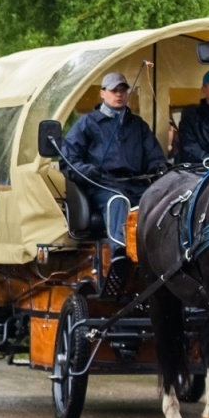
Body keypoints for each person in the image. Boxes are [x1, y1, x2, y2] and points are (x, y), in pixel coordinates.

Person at [59, 72, 168, 289]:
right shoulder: (87, 123)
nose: (119, 95)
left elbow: (154, 155)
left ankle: (159, 253)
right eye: (113, 90)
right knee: (117, 200)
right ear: (102, 94)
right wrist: (87, 171)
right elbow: (68, 160)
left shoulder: (137, 125)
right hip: (102, 185)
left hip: (135, 183)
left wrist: (159, 167)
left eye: (123, 90)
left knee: (157, 201)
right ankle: (119, 252)